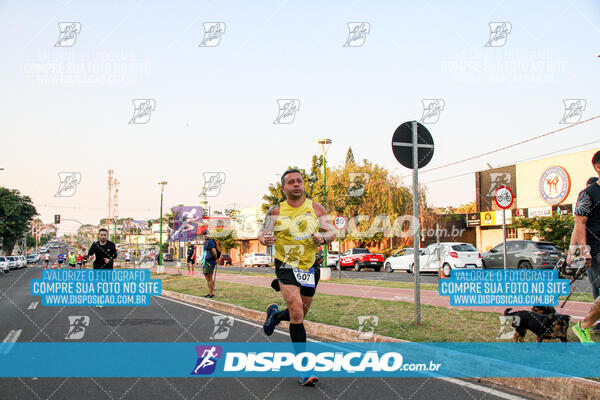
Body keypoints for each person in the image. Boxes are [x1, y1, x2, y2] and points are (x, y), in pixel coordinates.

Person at [259, 168, 335, 386]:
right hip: (286, 265)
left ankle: (274, 316)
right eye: (291, 182)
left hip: (310, 266)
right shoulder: (275, 211)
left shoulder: (316, 208)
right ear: (284, 188)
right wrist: (265, 239)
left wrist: (323, 236)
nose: (296, 184)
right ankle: (303, 369)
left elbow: (331, 232)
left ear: (303, 185)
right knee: (297, 310)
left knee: (300, 312)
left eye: (299, 181)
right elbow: (261, 233)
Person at [570, 151, 600, 342]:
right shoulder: (588, 193)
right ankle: (583, 326)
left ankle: (584, 326)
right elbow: (579, 223)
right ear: (597, 167)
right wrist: (583, 251)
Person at [87, 228, 118, 308]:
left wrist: (109, 259)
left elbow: (115, 255)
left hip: (108, 267)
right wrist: (90, 257)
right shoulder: (95, 244)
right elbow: (89, 253)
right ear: (99, 236)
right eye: (102, 235)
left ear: (107, 236)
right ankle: (99, 300)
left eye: (105, 235)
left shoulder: (111, 245)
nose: (103, 236)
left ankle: (101, 295)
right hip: (97, 266)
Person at [201, 231, 219, 298]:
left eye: (205, 234)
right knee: (207, 278)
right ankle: (210, 292)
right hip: (205, 262)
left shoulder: (210, 242)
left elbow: (214, 251)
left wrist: (216, 259)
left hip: (210, 263)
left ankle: (211, 294)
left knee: (210, 278)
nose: (204, 236)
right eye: (204, 234)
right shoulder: (205, 242)